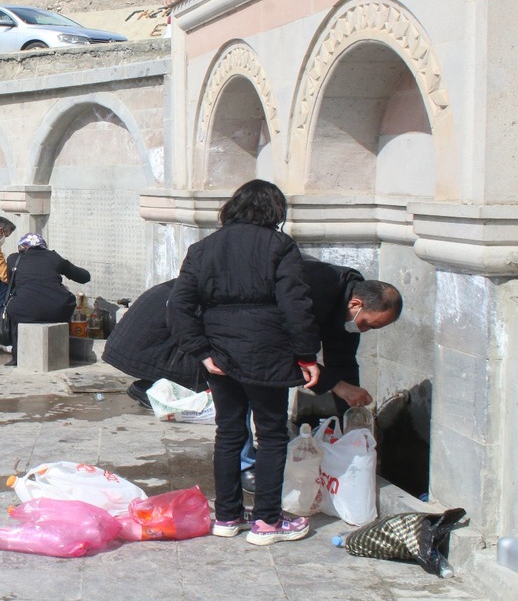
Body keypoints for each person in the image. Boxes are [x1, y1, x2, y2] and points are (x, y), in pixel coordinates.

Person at [106, 262, 403, 491]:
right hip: (212, 329)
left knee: (248, 399)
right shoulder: (310, 287)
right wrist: (337, 386)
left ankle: (249, 472)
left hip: (238, 336)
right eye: (368, 324)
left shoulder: (345, 307)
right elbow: (285, 350)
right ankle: (246, 472)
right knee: (234, 400)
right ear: (356, 305)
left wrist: (351, 427)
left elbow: (343, 363)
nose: (364, 331)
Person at [169, 179, 320, 546]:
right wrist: (307, 354)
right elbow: (295, 304)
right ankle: (267, 522)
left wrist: (202, 352)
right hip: (267, 350)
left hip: (220, 353)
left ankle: (227, 516)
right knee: (269, 435)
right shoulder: (280, 246)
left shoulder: (203, 248)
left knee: (229, 432)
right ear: (275, 211)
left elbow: (179, 306)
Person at [2, 233, 91, 366]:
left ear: (22, 247)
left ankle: (17, 357)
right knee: (65, 300)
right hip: (56, 310)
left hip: (24, 310)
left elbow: (11, 284)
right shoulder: (53, 257)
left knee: (16, 305)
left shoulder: (13, 259)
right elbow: (84, 277)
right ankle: (62, 351)